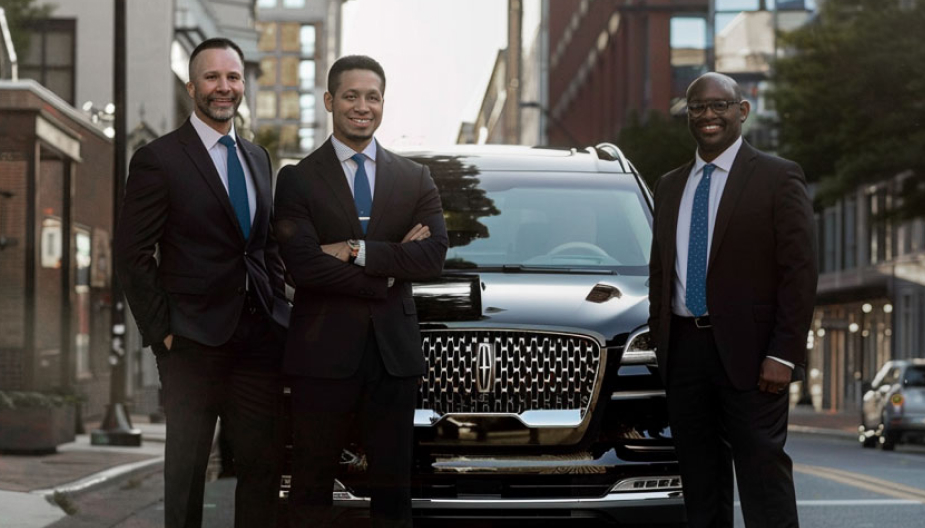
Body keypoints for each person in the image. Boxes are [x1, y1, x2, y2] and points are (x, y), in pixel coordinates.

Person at [114, 37, 289, 528]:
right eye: (212, 77)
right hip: (191, 343)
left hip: (257, 341)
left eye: (233, 78)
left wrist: (276, 308)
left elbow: (264, 245)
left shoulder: (257, 159)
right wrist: (163, 332)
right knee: (188, 473)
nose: (224, 87)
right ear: (192, 86)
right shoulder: (158, 159)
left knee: (260, 469)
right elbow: (131, 254)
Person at [273, 54, 448, 527]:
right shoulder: (298, 178)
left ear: (383, 103)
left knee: (393, 493)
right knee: (311, 487)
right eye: (351, 95)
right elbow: (303, 266)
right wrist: (392, 269)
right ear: (330, 100)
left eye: (372, 97)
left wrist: (356, 250)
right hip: (320, 356)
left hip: (394, 357)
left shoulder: (415, 179)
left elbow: (432, 257)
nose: (362, 106)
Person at [648, 72, 817, 528]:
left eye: (719, 105)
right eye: (698, 107)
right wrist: (665, 348)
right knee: (701, 485)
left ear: (742, 111)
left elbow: (799, 274)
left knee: (763, 478)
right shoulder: (669, 186)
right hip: (685, 354)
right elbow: (661, 274)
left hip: (754, 357)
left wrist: (783, 353)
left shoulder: (778, 177)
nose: (707, 115)